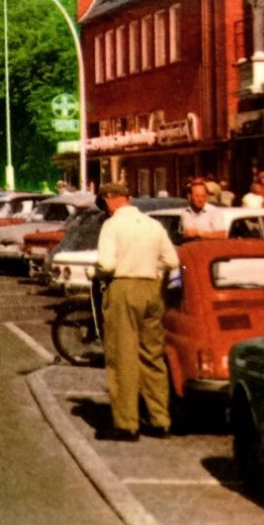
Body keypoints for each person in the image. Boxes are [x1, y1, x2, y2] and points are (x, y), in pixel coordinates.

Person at [95, 180, 180, 441]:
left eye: (104, 202)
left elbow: (107, 264)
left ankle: (126, 424)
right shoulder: (152, 225)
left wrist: (94, 271)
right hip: (151, 289)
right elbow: (172, 261)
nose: (105, 208)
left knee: (123, 357)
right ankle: (160, 420)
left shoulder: (112, 225)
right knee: (152, 355)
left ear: (110, 198)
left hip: (124, 288)